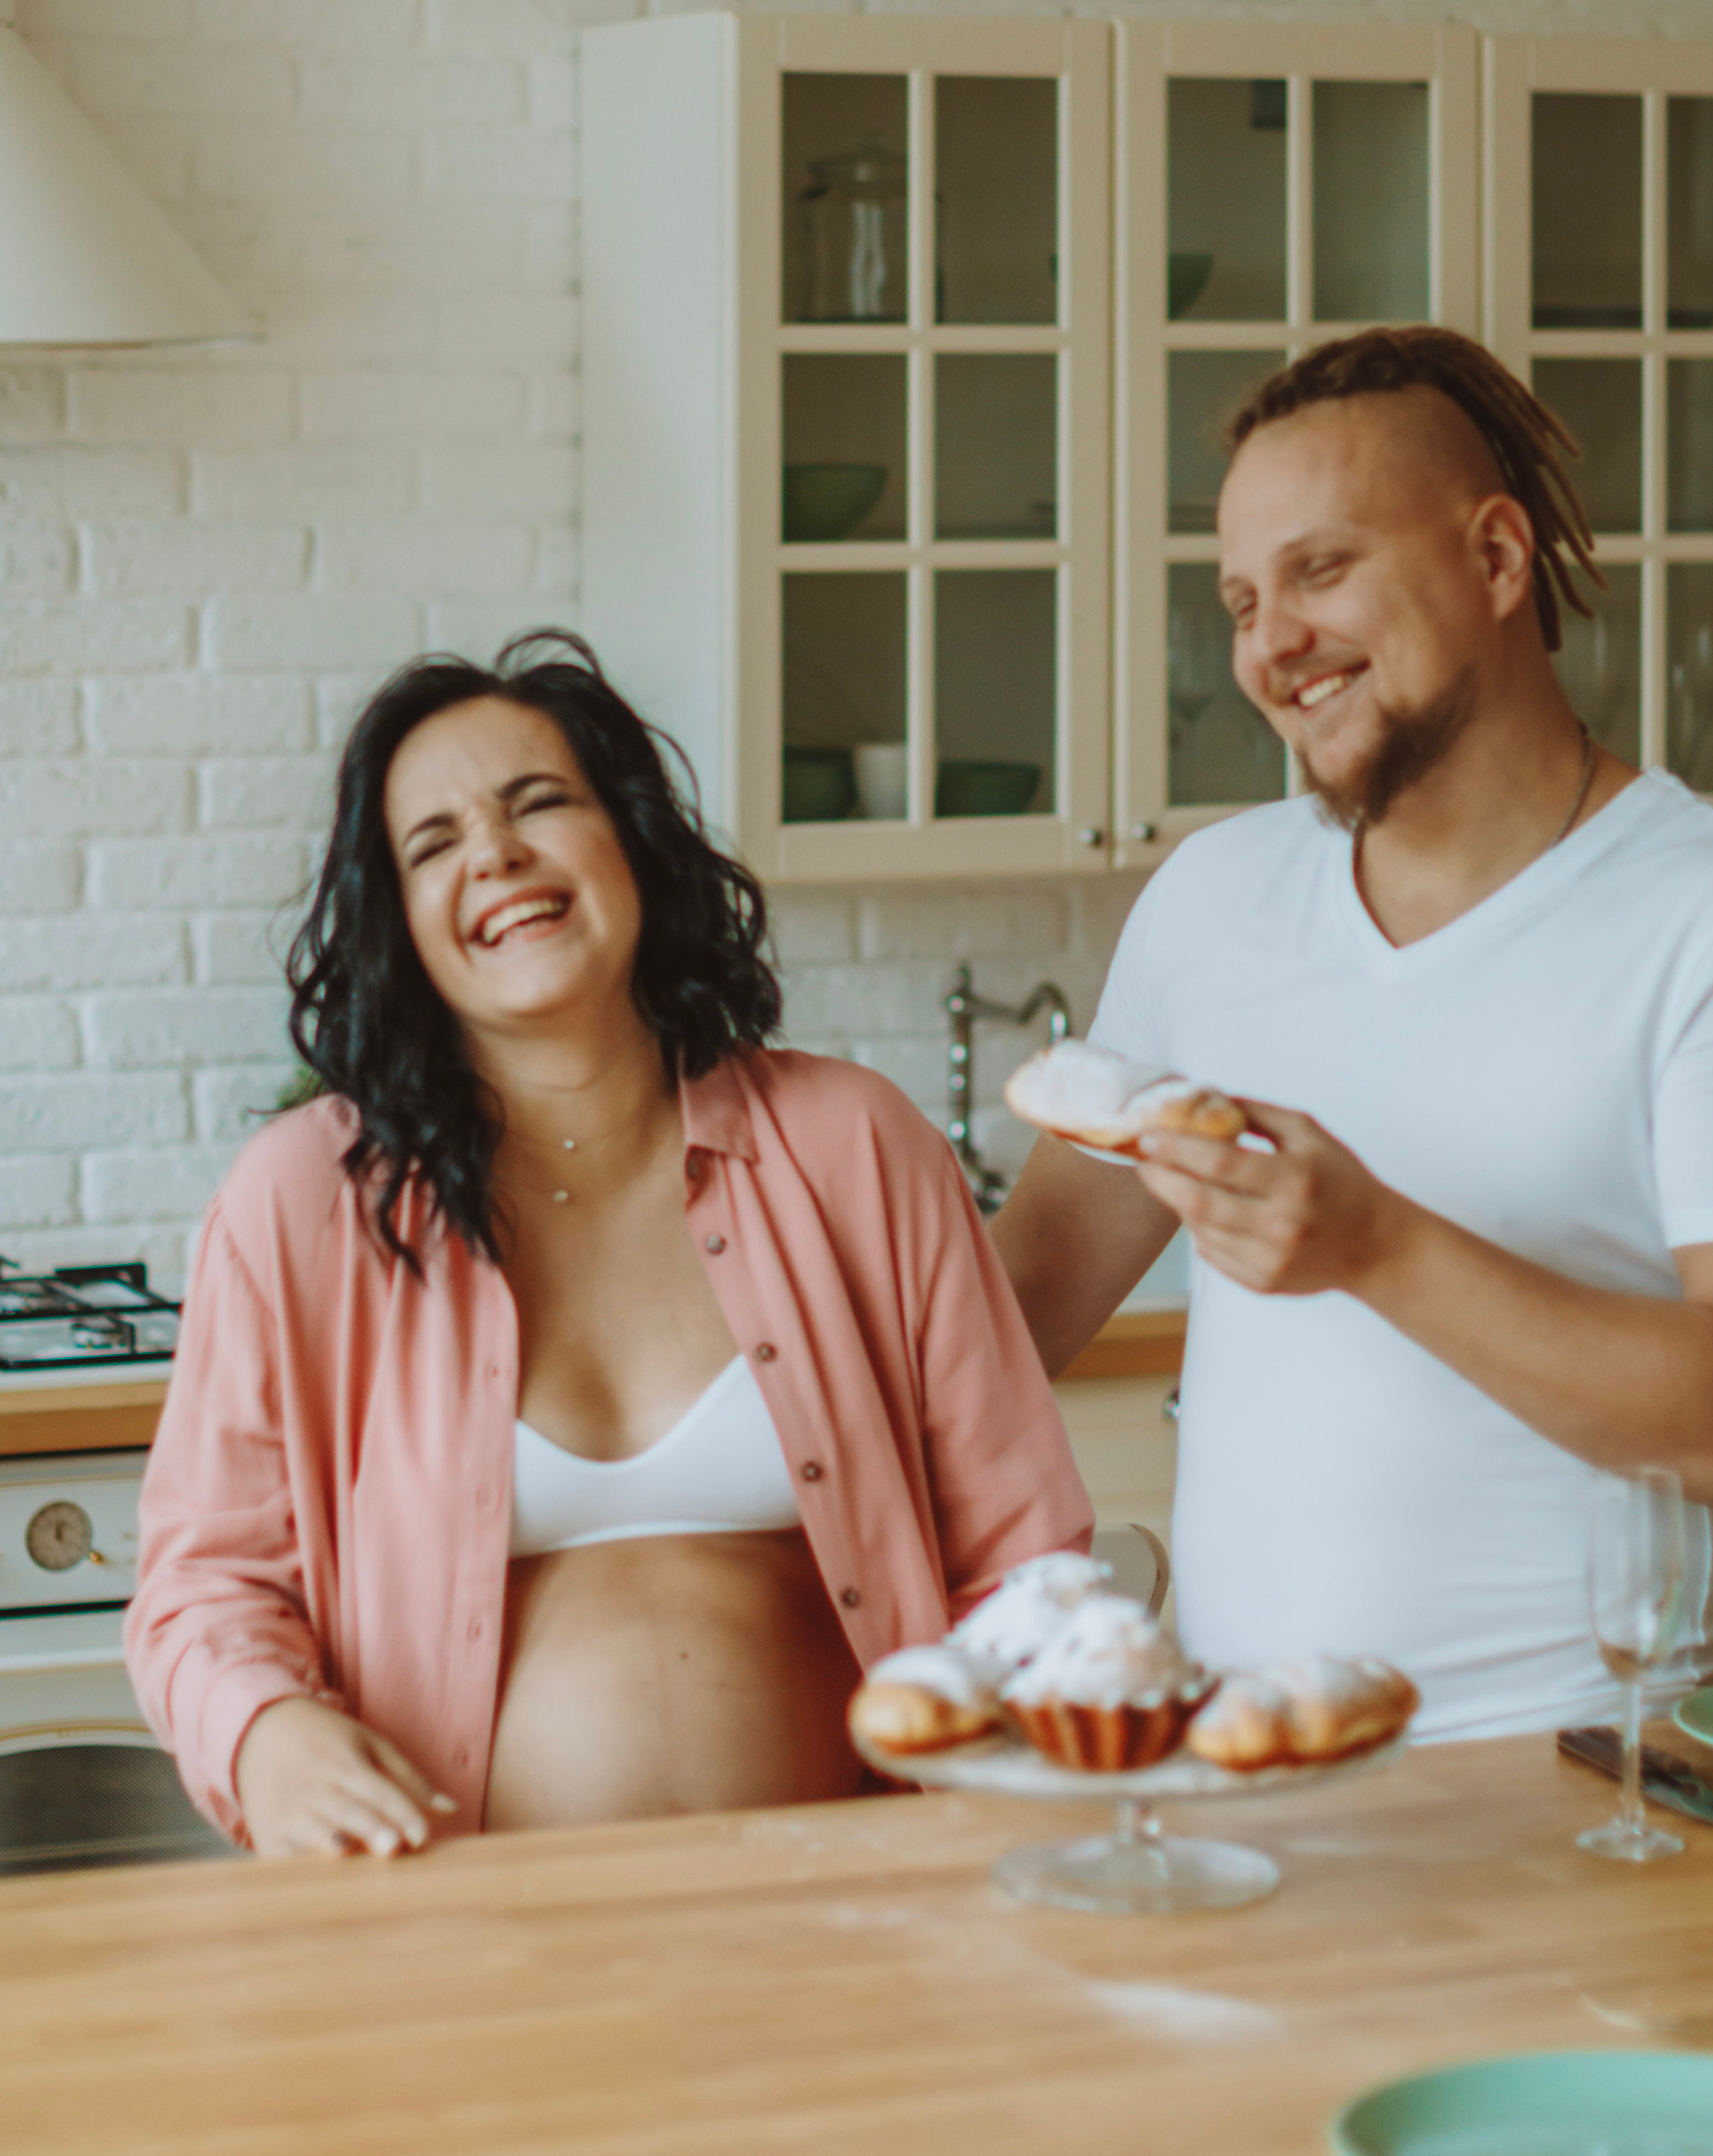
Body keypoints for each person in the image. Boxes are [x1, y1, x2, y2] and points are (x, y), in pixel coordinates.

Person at [992, 326, 1713, 1744]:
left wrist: (1372, 1244)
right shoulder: (1213, 900)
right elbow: (1018, 1303)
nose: (1269, 646)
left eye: (1320, 570)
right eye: (1239, 599)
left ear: (1494, 560)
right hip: (1244, 1783)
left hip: (1576, 1794)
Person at [128, 634, 1090, 1853]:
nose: (495, 854)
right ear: (402, 924)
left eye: (540, 804)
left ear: (634, 840)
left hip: (861, 1902)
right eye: (434, 844)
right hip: (470, 1932)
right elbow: (202, 1589)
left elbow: (1023, 1552)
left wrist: (1015, 1792)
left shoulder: (855, 1147)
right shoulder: (303, 1202)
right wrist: (262, 1734)